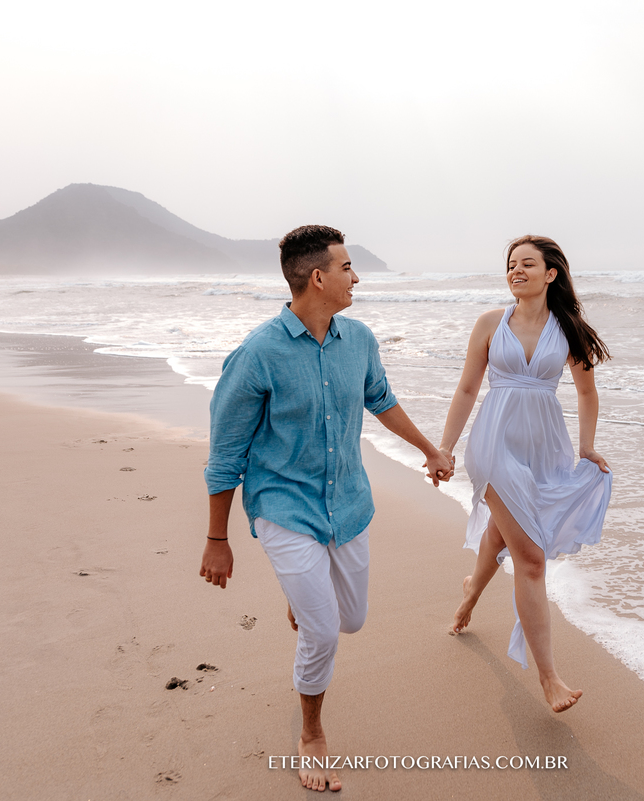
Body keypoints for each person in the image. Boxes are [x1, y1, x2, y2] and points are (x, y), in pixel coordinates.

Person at [199, 225, 453, 792]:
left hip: (348, 503)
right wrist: (218, 539)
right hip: (283, 505)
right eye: (346, 267)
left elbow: (381, 399)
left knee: (351, 619)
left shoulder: (358, 339)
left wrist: (430, 450)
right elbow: (225, 457)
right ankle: (312, 731)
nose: (356, 277)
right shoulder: (258, 354)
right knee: (324, 630)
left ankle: (305, 601)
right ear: (318, 277)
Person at [438, 235, 612, 713]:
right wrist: (446, 448)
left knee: (502, 534)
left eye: (527, 264)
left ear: (550, 274)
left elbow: (586, 393)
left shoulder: (569, 328)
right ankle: (549, 678)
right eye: (511, 264)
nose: (516, 270)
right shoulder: (491, 324)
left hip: (544, 448)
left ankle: (469, 594)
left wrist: (587, 447)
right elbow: (468, 387)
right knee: (531, 559)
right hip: (494, 445)